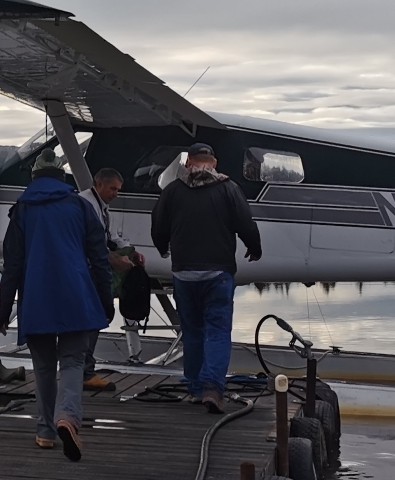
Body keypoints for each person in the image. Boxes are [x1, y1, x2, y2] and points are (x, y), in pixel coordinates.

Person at [0, 162, 114, 461]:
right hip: (75, 296)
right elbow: (100, 259)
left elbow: (12, 267)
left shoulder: (21, 211)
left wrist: (3, 309)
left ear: (34, 179)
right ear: (63, 179)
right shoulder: (81, 207)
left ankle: (46, 431)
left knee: (45, 367)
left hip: (37, 299)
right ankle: (67, 418)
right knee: (73, 362)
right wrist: (106, 300)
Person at [150, 142, 262, 414]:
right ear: (213, 163)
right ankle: (213, 388)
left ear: (188, 163)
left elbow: (158, 225)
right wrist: (254, 246)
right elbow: (245, 222)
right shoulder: (228, 189)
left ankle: (196, 388)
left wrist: (163, 246)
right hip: (217, 274)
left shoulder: (173, 191)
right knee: (218, 331)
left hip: (184, 274)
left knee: (192, 331)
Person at [79, 168, 135, 392]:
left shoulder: (101, 207)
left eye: (118, 190)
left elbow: (108, 237)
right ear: (99, 184)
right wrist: (113, 260)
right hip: (86, 272)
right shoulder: (85, 204)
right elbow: (89, 243)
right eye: (113, 189)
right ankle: (84, 372)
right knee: (91, 320)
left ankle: (83, 370)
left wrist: (130, 250)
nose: (116, 194)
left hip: (94, 269)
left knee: (93, 319)